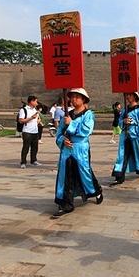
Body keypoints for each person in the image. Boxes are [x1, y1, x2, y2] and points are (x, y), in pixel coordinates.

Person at [53, 88, 103, 217]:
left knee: (85, 172)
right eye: (72, 97)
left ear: (83, 99)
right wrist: (62, 140)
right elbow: (59, 133)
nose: (73, 99)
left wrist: (71, 124)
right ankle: (66, 203)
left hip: (81, 149)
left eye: (77, 97)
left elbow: (86, 130)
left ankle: (96, 190)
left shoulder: (88, 114)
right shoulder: (67, 114)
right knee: (65, 175)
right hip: (67, 150)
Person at [111, 92, 139, 184]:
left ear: (135, 97)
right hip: (125, 135)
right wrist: (123, 121)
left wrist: (134, 126)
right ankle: (119, 175)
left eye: (130, 95)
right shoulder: (125, 110)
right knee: (122, 155)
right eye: (127, 95)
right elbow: (120, 121)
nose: (128, 97)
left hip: (136, 135)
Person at [19, 95, 41, 169]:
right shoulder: (24, 110)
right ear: (31, 101)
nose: (37, 103)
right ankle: (23, 162)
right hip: (27, 131)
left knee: (35, 147)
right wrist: (31, 118)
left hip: (35, 131)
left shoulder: (35, 110)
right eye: (36, 101)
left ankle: (33, 160)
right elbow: (21, 120)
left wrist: (38, 121)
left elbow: (36, 119)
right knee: (26, 147)